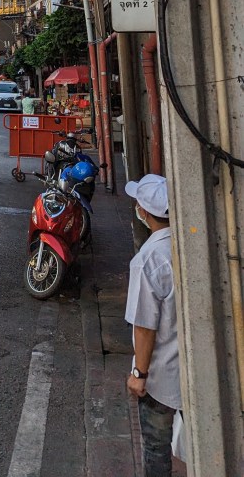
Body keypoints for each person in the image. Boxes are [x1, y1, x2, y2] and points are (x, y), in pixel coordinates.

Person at [124, 174, 181, 477]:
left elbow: (145, 326)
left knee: (157, 449)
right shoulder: (190, 246)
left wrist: (139, 374)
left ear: (144, 212)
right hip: (196, 371)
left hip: (161, 377)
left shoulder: (148, 260)